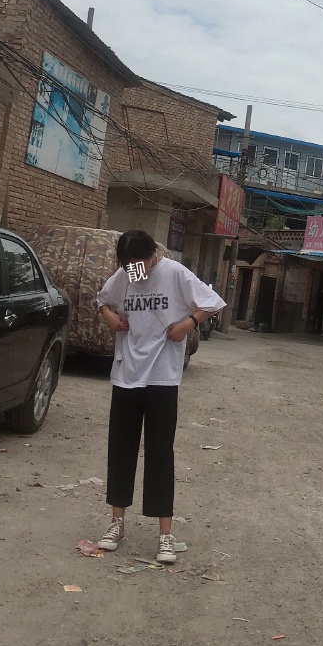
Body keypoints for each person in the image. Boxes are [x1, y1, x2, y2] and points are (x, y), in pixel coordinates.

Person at [95, 229, 226, 561]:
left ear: (153, 255)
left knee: (160, 454)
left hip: (162, 378)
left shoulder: (174, 273)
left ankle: (165, 534)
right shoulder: (126, 275)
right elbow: (103, 300)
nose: (135, 272)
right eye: (128, 265)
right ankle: (116, 523)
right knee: (121, 450)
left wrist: (188, 324)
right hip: (127, 376)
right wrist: (111, 317)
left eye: (140, 264)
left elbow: (212, 302)